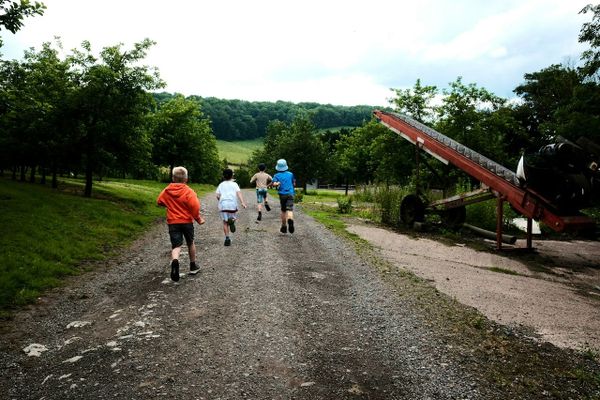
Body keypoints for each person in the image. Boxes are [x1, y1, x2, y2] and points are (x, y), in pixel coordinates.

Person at [157, 166, 205, 282]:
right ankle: (193, 266)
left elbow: (159, 201)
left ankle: (175, 261)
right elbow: (195, 206)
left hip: (173, 222)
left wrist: (169, 204)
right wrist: (198, 219)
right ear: (186, 179)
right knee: (190, 242)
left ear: (173, 178)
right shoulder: (189, 191)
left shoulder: (167, 190)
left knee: (176, 245)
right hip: (187, 221)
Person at [216, 168, 247, 246]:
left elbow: (217, 195)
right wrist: (242, 202)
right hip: (232, 204)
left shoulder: (221, 184)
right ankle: (232, 221)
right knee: (232, 218)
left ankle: (227, 238)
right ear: (232, 176)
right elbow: (239, 194)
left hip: (223, 205)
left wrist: (220, 200)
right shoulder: (235, 184)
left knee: (225, 222)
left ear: (223, 176)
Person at [271, 159, 296, 234]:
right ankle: (290, 220)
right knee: (290, 210)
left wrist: (276, 184)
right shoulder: (290, 174)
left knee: (283, 211)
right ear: (286, 166)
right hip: (290, 193)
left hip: (282, 195)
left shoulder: (276, 175)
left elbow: (274, 184)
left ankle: (284, 227)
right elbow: (293, 183)